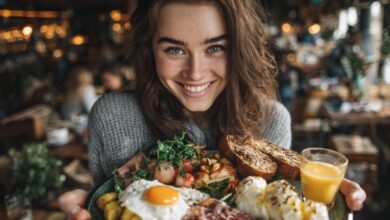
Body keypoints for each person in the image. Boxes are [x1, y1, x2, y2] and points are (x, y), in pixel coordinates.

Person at [58, 0, 366, 219]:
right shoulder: (114, 118)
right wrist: (86, 194)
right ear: (149, 49)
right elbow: (114, 201)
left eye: (215, 47)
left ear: (239, 49)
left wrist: (310, 206)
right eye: (174, 49)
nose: (195, 72)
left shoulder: (271, 120)